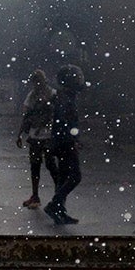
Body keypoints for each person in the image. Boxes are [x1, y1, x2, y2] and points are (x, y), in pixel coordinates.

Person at [43, 66, 84, 224]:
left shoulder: (64, 96)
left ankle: (60, 210)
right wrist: (73, 140)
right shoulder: (66, 98)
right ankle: (54, 205)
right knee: (75, 177)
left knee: (63, 177)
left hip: (60, 141)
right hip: (65, 142)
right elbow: (65, 122)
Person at [16, 71, 53, 210]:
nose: (37, 84)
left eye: (39, 81)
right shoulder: (31, 96)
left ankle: (57, 197)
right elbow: (26, 116)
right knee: (35, 167)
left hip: (47, 136)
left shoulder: (52, 94)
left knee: (50, 166)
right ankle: (35, 196)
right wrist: (20, 134)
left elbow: (53, 115)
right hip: (35, 136)